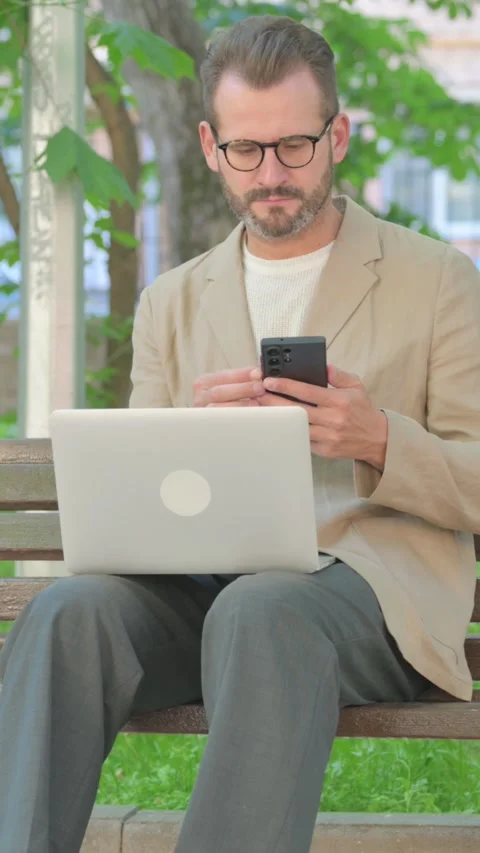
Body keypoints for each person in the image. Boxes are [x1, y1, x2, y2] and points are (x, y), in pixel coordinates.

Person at [1, 14, 479, 853]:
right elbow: (135, 515)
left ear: (338, 136)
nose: (271, 176)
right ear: (211, 146)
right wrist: (188, 441)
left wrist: (377, 438)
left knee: (262, 610)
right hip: (209, 593)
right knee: (68, 611)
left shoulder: (437, 279)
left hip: (371, 600)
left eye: (294, 147)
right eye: (247, 151)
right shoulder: (174, 299)